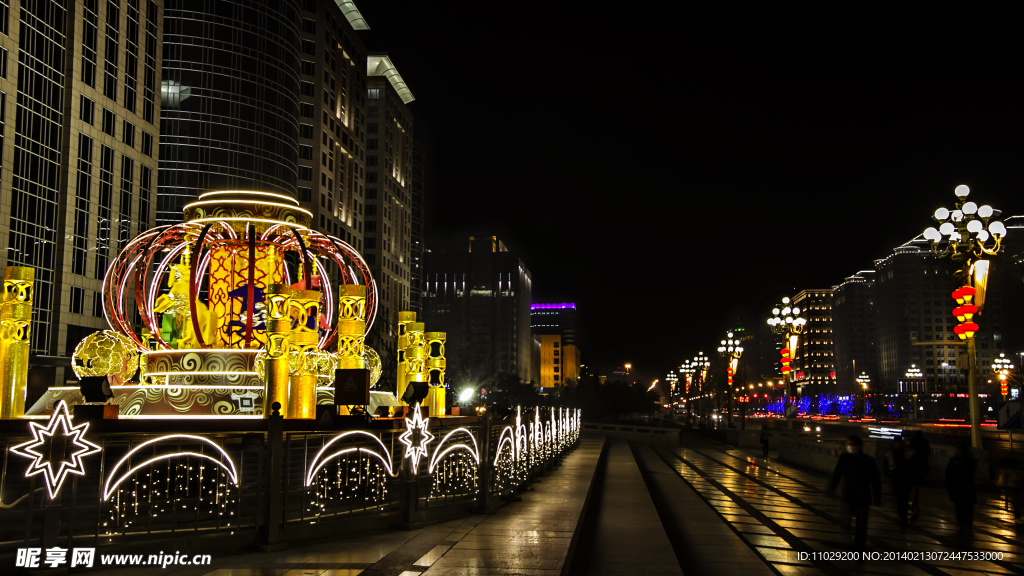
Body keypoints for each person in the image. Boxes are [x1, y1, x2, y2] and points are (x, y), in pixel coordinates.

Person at [829, 436, 882, 551]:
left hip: (863, 496)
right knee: (845, 523)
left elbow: (875, 480)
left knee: (862, 525)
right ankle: (847, 545)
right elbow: (837, 474)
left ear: (860, 446)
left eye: (853, 444)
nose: (851, 447)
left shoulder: (868, 460)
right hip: (848, 495)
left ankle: (859, 547)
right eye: (849, 444)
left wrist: (877, 496)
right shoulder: (844, 458)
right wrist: (831, 489)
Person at [884, 437, 915, 525]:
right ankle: (901, 515)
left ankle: (903, 517)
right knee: (899, 499)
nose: (900, 445)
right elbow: (885, 466)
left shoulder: (905, 452)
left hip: (904, 480)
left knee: (903, 499)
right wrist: (888, 476)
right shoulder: (891, 453)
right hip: (896, 480)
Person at [945, 442, 976, 531]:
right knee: (961, 507)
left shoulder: (965, 461)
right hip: (961, 488)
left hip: (964, 488)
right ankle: (963, 523)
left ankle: (966, 523)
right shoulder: (966, 460)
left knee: (965, 507)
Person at [909, 430, 931, 520]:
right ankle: (915, 510)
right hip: (921, 467)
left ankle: (914, 510)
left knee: (913, 490)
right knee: (916, 489)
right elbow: (929, 453)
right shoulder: (925, 441)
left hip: (914, 468)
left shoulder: (913, 441)